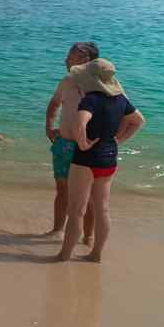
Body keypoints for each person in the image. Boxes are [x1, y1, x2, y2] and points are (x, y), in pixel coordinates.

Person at [57, 59, 146, 263]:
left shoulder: (91, 99)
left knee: (76, 210)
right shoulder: (121, 99)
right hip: (109, 160)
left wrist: (83, 143)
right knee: (102, 208)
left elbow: (81, 123)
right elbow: (138, 121)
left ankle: (64, 255)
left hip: (85, 161)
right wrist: (118, 140)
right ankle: (96, 254)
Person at [45, 41, 100, 239]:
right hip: (64, 145)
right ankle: (57, 230)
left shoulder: (102, 84)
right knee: (62, 190)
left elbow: (125, 114)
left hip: (88, 149)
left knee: (90, 196)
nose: (66, 59)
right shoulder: (67, 81)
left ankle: (88, 237)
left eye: (71, 56)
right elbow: (54, 103)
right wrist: (49, 126)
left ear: (86, 59)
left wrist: (114, 141)